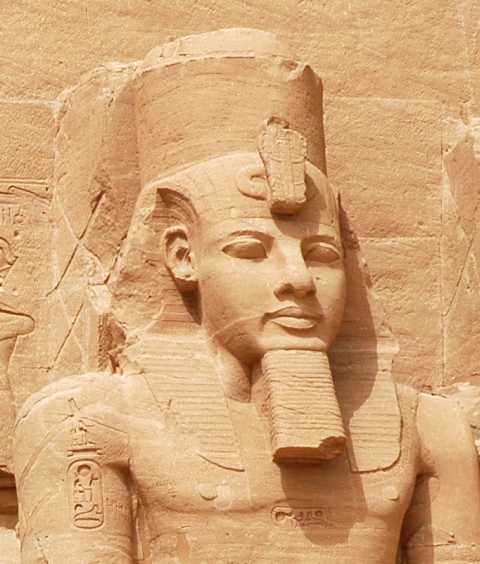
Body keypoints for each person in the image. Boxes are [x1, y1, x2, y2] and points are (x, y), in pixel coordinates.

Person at [14, 29, 480, 564]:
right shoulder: (86, 419)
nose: (299, 280)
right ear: (183, 258)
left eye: (322, 254)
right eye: (251, 250)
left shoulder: (429, 428)